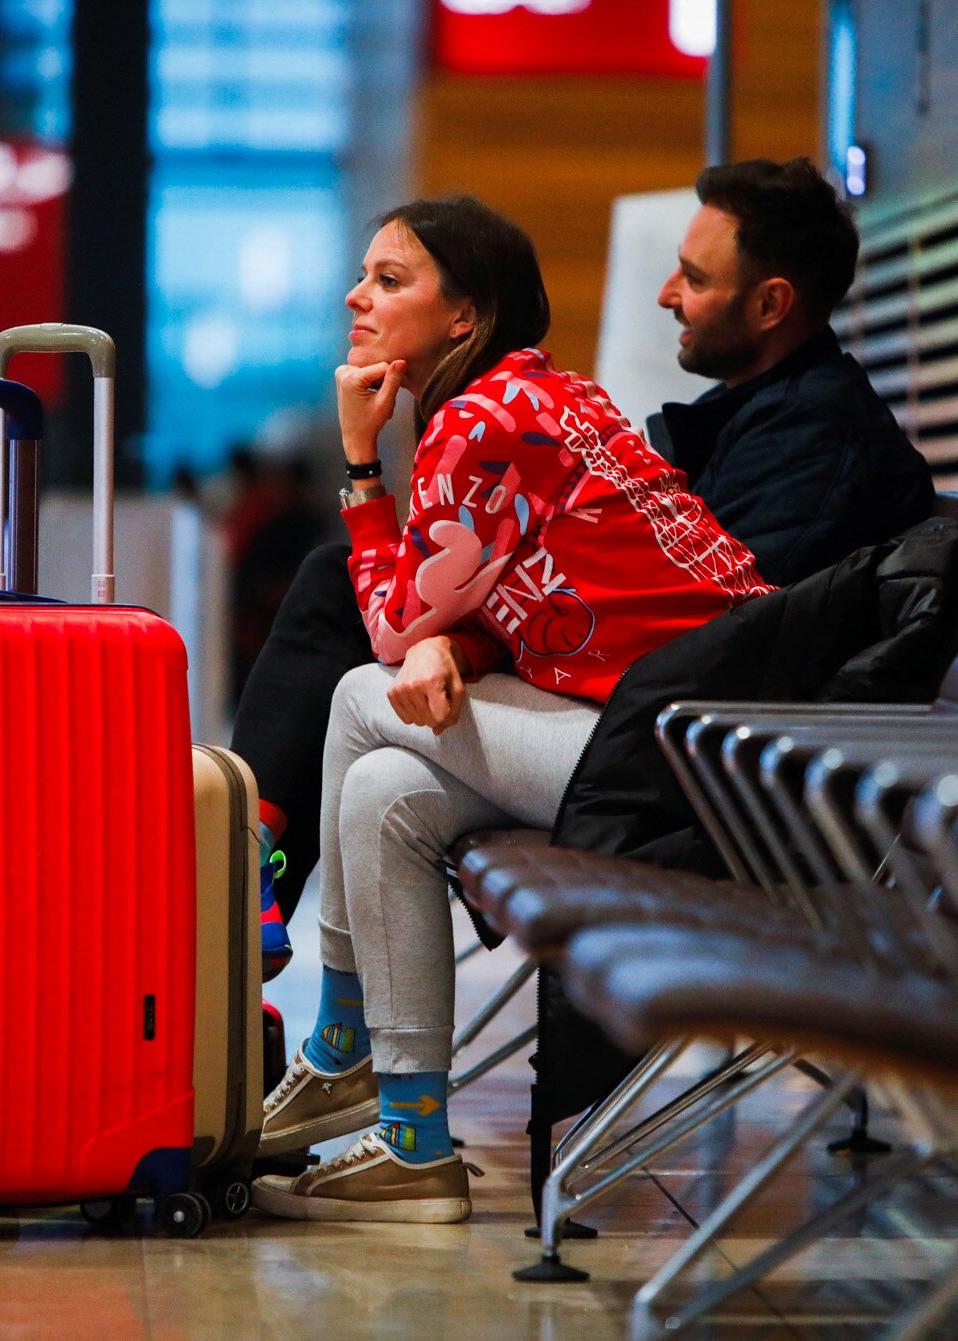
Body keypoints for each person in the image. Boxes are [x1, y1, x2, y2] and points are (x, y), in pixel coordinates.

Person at [234, 159, 931, 967]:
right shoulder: (722, 416)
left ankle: (244, 875)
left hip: (703, 767)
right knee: (384, 772)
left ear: (772, 302)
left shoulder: (816, 447)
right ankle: (381, 1069)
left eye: (694, 277)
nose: (666, 292)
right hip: (644, 717)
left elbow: (705, 638)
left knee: (361, 683)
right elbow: (607, 594)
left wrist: (374, 490)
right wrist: (457, 640)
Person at [249, 197, 773, 1224]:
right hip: (691, 741)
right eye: (364, 276)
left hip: (684, 766)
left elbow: (390, 628)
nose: (357, 296)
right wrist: (458, 639)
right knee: (391, 789)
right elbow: (532, 596)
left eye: (390, 280)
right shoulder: (543, 397)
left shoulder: (479, 423)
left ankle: (340, 1047)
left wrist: (361, 464)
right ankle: (412, 1141)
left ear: (463, 316)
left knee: (361, 694)